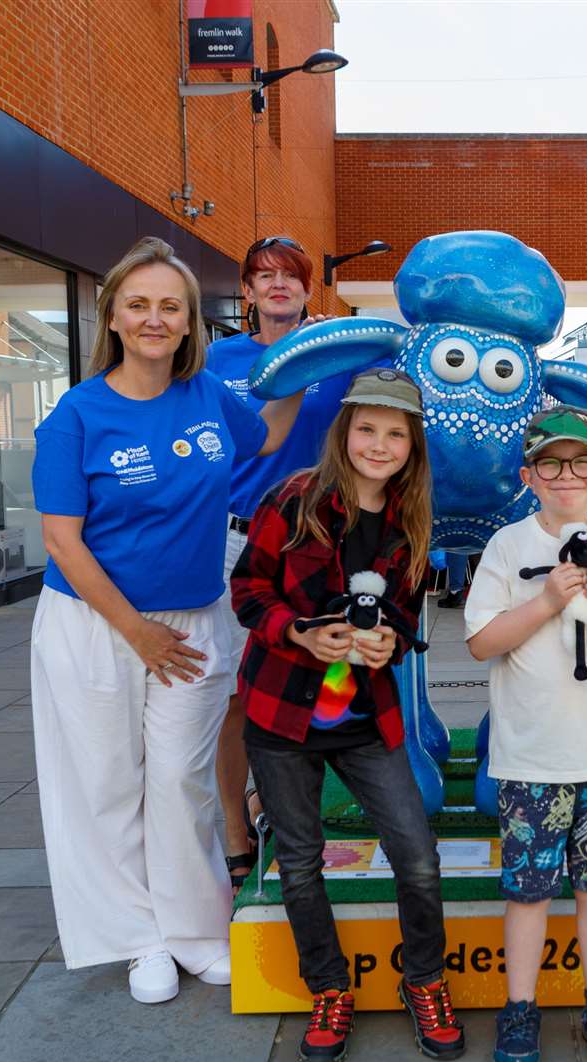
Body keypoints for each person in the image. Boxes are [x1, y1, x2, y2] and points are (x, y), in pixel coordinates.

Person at [29, 236, 303, 1005]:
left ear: (189, 324)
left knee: (181, 778)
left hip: (193, 616)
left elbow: (272, 433)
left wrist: (302, 358)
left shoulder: (209, 394)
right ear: (113, 315)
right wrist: (135, 631)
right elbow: (61, 540)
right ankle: (137, 939)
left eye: (170, 307)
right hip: (95, 624)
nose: (154, 318)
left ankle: (192, 930)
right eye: (140, 304)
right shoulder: (77, 415)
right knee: (108, 782)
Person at [230, 369, 464, 1062]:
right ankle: (329, 990)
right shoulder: (295, 498)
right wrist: (297, 632)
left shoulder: (413, 519)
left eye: (395, 433)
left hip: (365, 718)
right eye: (367, 428)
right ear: (345, 432)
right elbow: (246, 590)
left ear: (411, 446)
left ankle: (424, 980)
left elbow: (405, 614)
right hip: (280, 712)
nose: (379, 443)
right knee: (299, 863)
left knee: (418, 858)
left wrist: (393, 638)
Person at [465, 407, 587, 1062]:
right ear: (528, 476)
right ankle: (519, 1008)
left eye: (581, 464)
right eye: (550, 463)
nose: (566, 476)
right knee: (527, 890)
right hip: (530, 759)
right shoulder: (509, 547)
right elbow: (482, 641)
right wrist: (545, 602)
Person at [206, 235, 354, 892]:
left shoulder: (335, 355)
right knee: (238, 692)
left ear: (304, 288)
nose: (276, 286)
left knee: (319, 682)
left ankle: (286, 810)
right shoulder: (220, 358)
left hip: (323, 537)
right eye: (262, 276)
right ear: (246, 291)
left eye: (288, 276)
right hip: (241, 538)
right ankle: (236, 831)